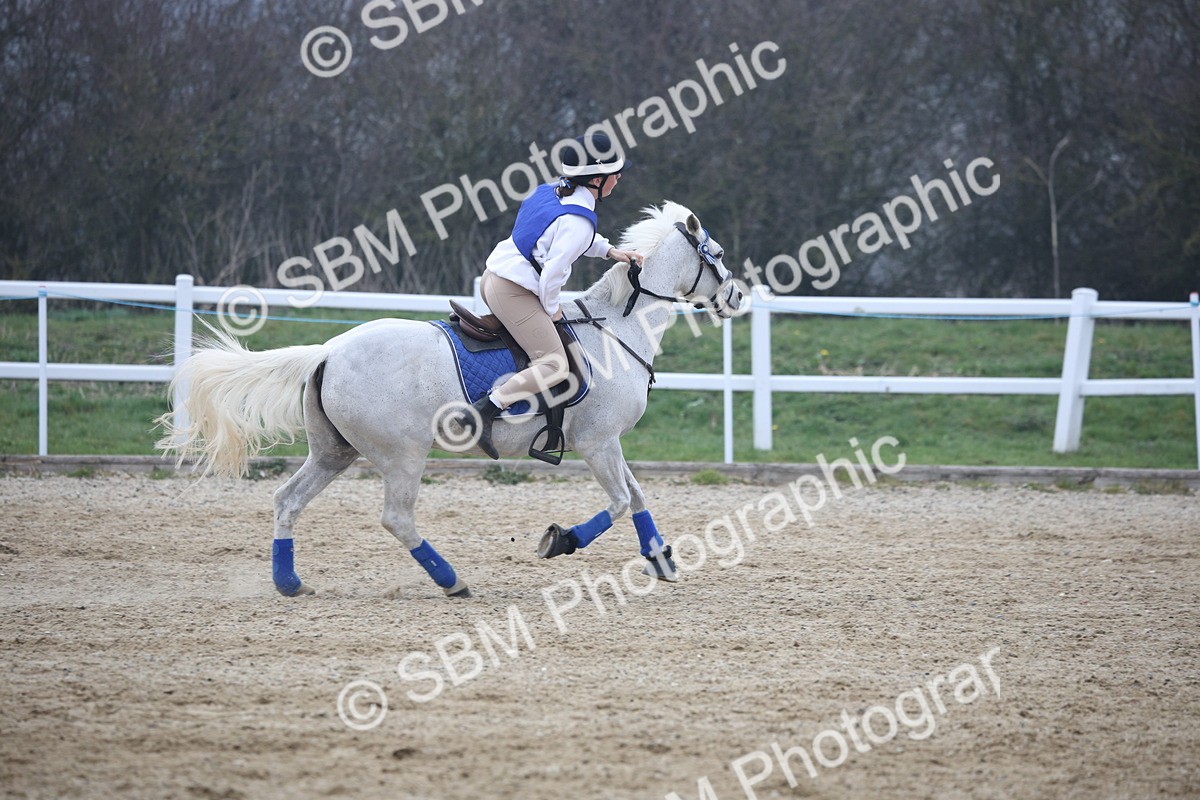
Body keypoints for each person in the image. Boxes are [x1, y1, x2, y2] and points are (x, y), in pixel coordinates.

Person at [456, 132, 643, 459]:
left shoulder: (553, 191)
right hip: (513, 291)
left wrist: (610, 251)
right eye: (615, 173)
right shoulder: (578, 220)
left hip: (496, 276)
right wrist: (553, 309)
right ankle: (485, 410)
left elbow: (566, 236)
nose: (619, 178)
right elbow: (554, 272)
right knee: (554, 364)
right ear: (596, 180)